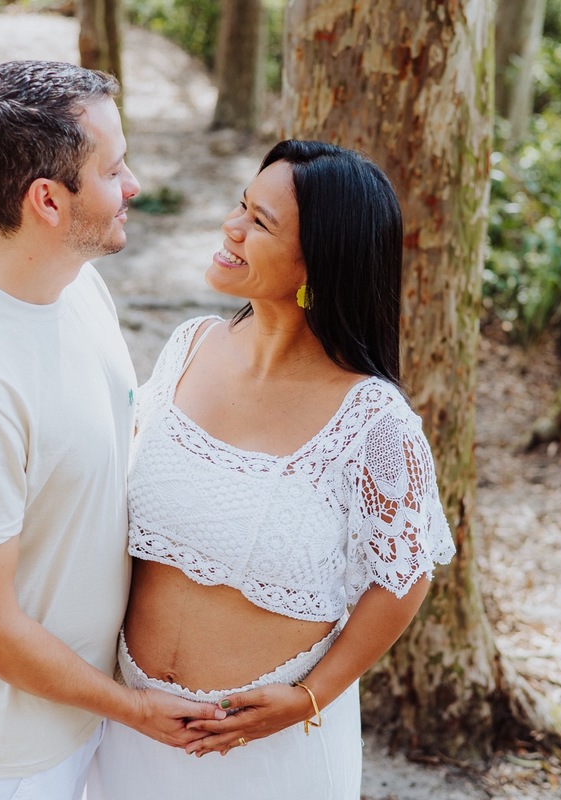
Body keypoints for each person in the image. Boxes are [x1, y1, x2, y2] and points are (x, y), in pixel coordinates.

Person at [0, 60, 223, 800]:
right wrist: (135, 708)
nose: (133, 184)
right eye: (114, 168)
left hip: (87, 723)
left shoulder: (78, 288)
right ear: (47, 199)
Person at [86, 139, 457, 798]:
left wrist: (311, 697)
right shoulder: (190, 347)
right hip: (137, 730)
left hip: (270, 756)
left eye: (260, 222)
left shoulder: (373, 420)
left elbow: (404, 578)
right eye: (241, 205)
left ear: (320, 259)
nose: (231, 227)